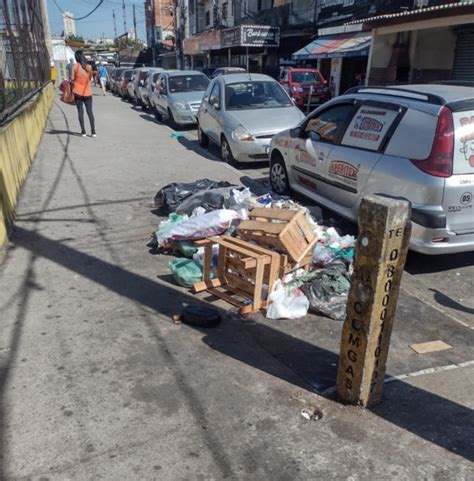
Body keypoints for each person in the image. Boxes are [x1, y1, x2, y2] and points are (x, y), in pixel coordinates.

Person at [70, 50, 96, 138]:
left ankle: (83, 131)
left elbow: (71, 79)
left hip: (77, 92)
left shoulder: (74, 66)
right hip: (88, 92)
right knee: (90, 112)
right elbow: (90, 79)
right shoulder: (89, 67)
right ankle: (93, 132)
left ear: (76, 57)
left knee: (80, 111)